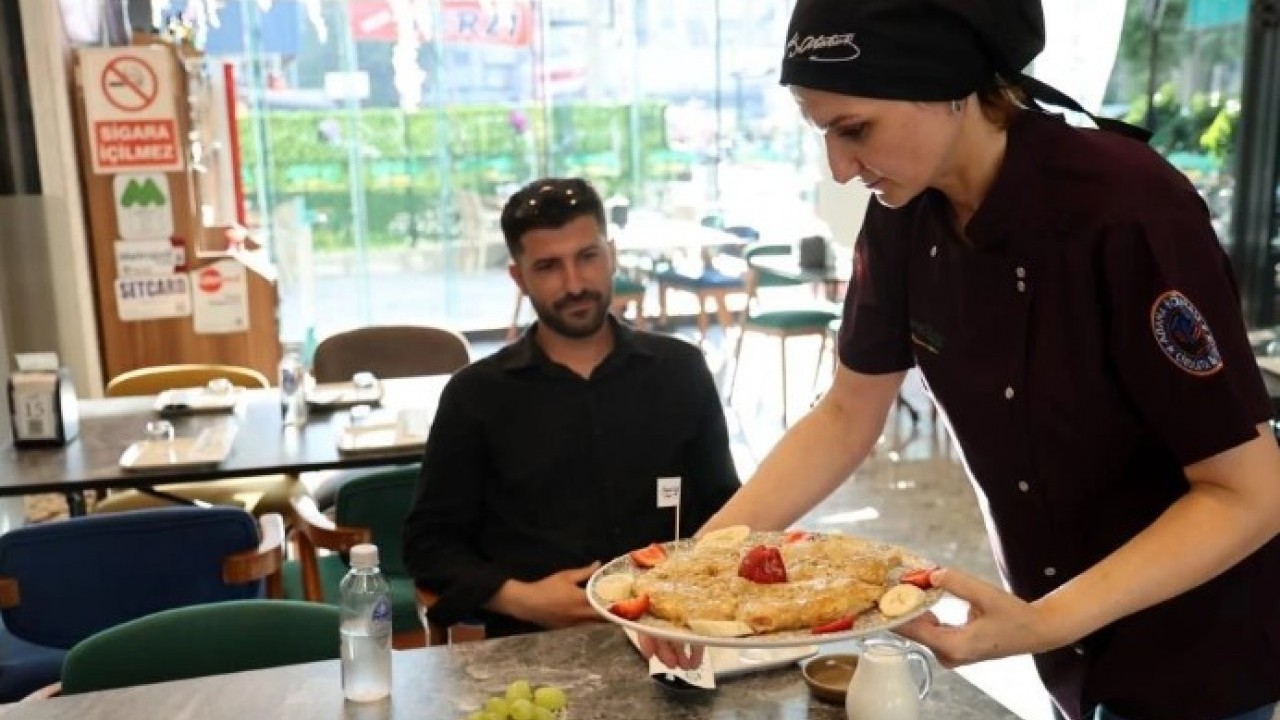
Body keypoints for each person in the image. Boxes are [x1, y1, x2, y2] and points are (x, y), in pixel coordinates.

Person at [643, 2, 1280, 719]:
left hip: (1198, 652)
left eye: (854, 130)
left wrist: (1045, 620)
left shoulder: (1127, 208)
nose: (841, 169)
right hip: (1065, 646)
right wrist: (694, 571)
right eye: (822, 134)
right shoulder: (904, 217)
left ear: (948, 85)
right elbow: (849, 413)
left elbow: (1249, 494)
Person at [402, 177, 740, 638]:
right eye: (548, 267)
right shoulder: (476, 395)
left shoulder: (680, 370)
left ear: (611, 254)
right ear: (519, 278)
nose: (575, 284)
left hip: (676, 636)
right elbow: (428, 545)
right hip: (533, 646)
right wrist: (521, 598)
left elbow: (725, 510)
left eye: (587, 257)